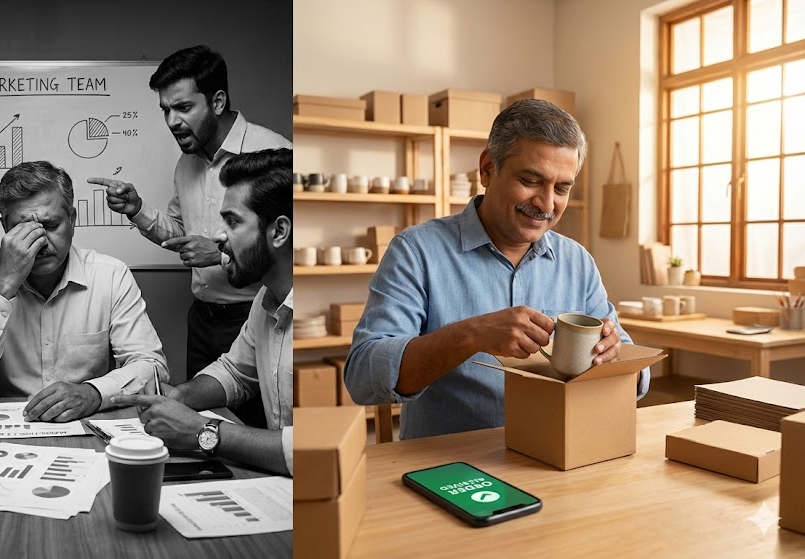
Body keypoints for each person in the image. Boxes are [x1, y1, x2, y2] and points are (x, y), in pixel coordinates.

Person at [345, 99, 650, 440]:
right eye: (531, 180)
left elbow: (631, 367)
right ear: (488, 169)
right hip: (450, 461)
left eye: (562, 188)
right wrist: (472, 334)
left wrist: (614, 355)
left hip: (556, 450)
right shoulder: (416, 251)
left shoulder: (577, 261)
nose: (547, 204)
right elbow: (362, 377)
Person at [89, 45, 291, 427]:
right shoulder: (186, 164)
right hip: (203, 320)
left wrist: (219, 254)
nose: (172, 121)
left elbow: (294, 246)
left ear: (217, 101)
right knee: (196, 420)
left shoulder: (276, 154)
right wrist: (137, 209)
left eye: (183, 107)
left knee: (266, 427)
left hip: (262, 312)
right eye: (165, 109)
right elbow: (182, 234)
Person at [112, 148, 292, 476]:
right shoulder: (266, 299)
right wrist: (181, 395)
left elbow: (317, 447)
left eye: (233, 222)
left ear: (279, 232)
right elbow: (235, 372)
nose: (219, 236)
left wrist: (202, 431)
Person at [0, 161, 168, 423]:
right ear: (5, 227)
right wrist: (2, 286)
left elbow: (152, 368)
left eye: (50, 226)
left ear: (72, 220)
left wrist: (93, 393)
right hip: (6, 425)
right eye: (23, 229)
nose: (39, 242)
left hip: (85, 423)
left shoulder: (110, 275)